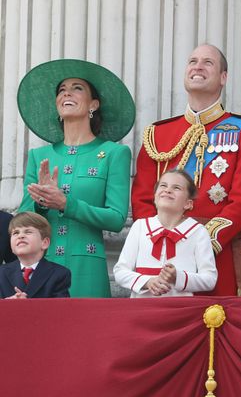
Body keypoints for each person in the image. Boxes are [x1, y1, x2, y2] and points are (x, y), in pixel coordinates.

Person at [131, 44, 241, 296]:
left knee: (214, 330)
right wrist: (158, 239)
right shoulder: (158, 134)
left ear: (223, 77)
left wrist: (200, 242)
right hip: (160, 254)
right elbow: (142, 197)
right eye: (193, 61)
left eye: (208, 62)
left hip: (217, 253)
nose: (198, 66)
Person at [17, 59, 135, 298]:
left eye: (77, 88)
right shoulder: (39, 156)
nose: (67, 93)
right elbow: (23, 220)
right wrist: (41, 201)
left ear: (94, 104)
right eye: (62, 90)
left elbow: (116, 218)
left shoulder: (114, 153)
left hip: (87, 269)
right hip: (43, 266)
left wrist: (66, 204)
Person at [114, 169, 217, 297]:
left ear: (188, 203)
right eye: (163, 185)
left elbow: (210, 279)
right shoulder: (140, 227)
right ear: (155, 197)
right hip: (142, 308)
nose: (168, 190)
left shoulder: (198, 232)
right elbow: (120, 271)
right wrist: (148, 282)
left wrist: (178, 277)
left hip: (179, 309)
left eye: (177, 188)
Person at [0, 212, 71, 299]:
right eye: (15, 233)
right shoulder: (2, 273)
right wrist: (6, 305)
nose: (20, 236)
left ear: (44, 243)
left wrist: (28, 305)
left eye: (28, 232)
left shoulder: (59, 274)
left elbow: (61, 310)